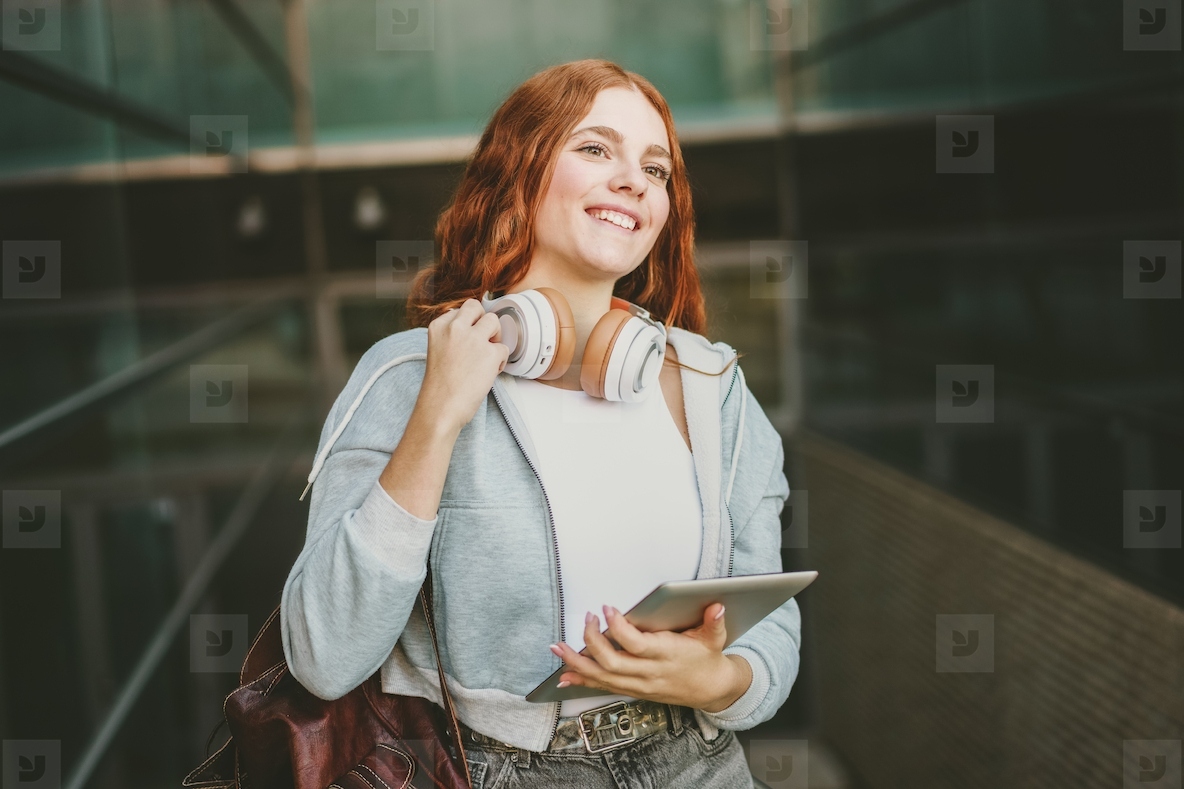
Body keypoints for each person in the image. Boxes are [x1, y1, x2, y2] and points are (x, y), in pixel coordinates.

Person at [280, 58, 801, 789]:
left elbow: (771, 617)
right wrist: (437, 418)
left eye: (656, 169)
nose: (633, 180)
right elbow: (323, 652)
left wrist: (720, 680)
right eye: (595, 149)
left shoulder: (713, 383)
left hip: (699, 765)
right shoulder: (406, 375)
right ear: (518, 174)